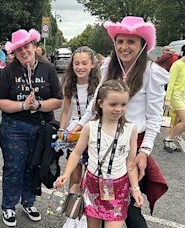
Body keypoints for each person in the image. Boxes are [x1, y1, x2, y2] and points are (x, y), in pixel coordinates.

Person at [72, 16, 169, 228]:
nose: (124, 47)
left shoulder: (152, 73)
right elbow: (95, 102)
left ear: (143, 45)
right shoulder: (109, 66)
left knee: (131, 209)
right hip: (102, 141)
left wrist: (144, 151)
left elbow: (154, 118)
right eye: (120, 41)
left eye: (131, 42)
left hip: (131, 146)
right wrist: (80, 124)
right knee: (99, 204)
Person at [55, 79, 144, 228]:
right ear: (100, 103)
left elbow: (131, 163)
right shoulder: (90, 127)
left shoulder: (131, 129)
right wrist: (65, 174)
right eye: (113, 104)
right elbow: (76, 153)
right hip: (93, 185)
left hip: (118, 187)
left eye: (123, 104)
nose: (119, 109)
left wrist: (135, 189)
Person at [0, 28, 62, 227]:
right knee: (14, 168)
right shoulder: (9, 71)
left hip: (41, 127)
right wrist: (23, 106)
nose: (23, 52)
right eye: (18, 50)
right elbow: (0, 101)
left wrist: (39, 105)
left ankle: (28, 201)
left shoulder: (47, 68)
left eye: (26, 47)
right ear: (14, 53)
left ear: (34, 46)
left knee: (33, 166)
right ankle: (8, 206)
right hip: (14, 126)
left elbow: (58, 100)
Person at [59, 46, 100, 227]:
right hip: (74, 133)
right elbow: (66, 110)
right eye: (76, 63)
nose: (80, 67)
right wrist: (61, 131)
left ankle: (86, 215)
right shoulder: (69, 82)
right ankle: (72, 214)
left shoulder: (99, 84)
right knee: (74, 176)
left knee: (90, 176)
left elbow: (96, 111)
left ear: (92, 64)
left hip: (92, 132)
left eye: (84, 63)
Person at [163, 52, 185, 152]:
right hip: (175, 95)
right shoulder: (177, 65)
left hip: (183, 95)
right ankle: (169, 139)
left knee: (175, 121)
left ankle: (169, 141)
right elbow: (170, 83)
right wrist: (167, 99)